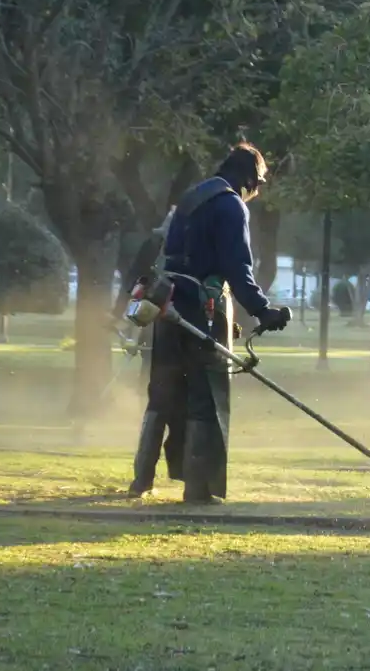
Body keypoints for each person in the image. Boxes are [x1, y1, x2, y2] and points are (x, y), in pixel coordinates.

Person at [128, 143, 292, 504]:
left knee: (163, 391)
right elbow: (238, 268)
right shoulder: (231, 205)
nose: (257, 192)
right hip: (203, 308)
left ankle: (141, 481)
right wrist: (264, 311)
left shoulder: (191, 197)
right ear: (249, 177)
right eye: (259, 183)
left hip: (167, 304)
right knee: (207, 397)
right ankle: (198, 489)